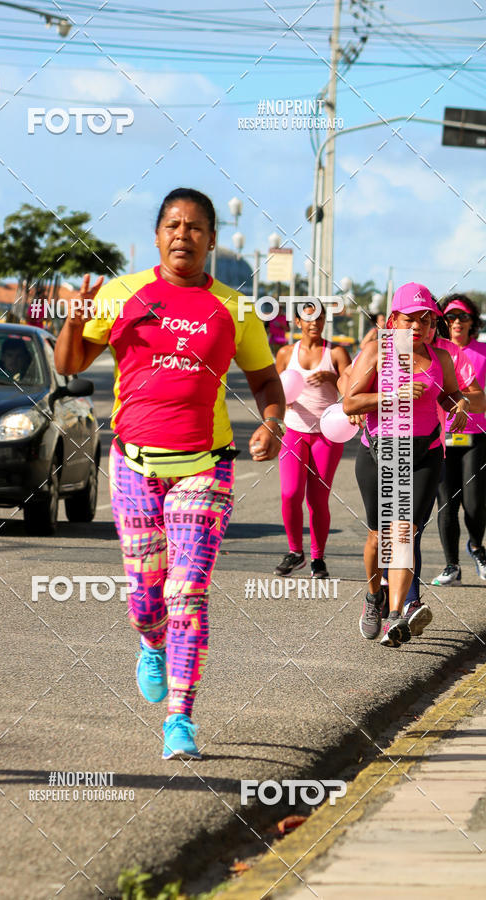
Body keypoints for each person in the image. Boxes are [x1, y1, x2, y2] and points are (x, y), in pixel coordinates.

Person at [54, 188, 284, 760]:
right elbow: (70, 365)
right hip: (134, 466)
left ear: (211, 239)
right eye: (173, 224)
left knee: (188, 592)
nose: (184, 234)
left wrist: (273, 423)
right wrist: (72, 323)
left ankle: (180, 719)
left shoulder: (234, 307)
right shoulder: (121, 293)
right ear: (158, 235)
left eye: (196, 227)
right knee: (145, 600)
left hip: (206, 469)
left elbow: (264, 384)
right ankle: (149, 643)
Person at [343, 283, 468, 647]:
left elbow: (450, 394)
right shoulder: (376, 352)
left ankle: (396, 616)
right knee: (378, 537)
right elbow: (351, 403)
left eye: (427, 320)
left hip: (425, 453)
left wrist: (457, 405)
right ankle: (373, 598)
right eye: (410, 319)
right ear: (393, 320)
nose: (418, 327)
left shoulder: (440, 357)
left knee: (404, 532)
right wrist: (391, 395)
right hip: (379, 453)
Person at [274, 302, 351, 578]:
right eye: (308, 318)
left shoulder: (337, 352)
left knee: (317, 500)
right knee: (290, 494)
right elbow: (274, 390)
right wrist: (280, 409)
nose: (314, 323)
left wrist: (332, 376)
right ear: (297, 322)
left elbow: (352, 387)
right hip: (294, 432)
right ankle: (296, 552)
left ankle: (318, 559)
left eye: (319, 317)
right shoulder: (285, 353)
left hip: (328, 435)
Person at [432, 294, 486, 585]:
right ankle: (451, 565)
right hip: (443, 437)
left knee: (475, 500)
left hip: (476, 436)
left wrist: (467, 401)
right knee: (446, 503)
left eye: (462, 317)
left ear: (472, 322)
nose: (456, 322)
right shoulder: (437, 352)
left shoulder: (482, 351)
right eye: (450, 317)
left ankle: (477, 548)